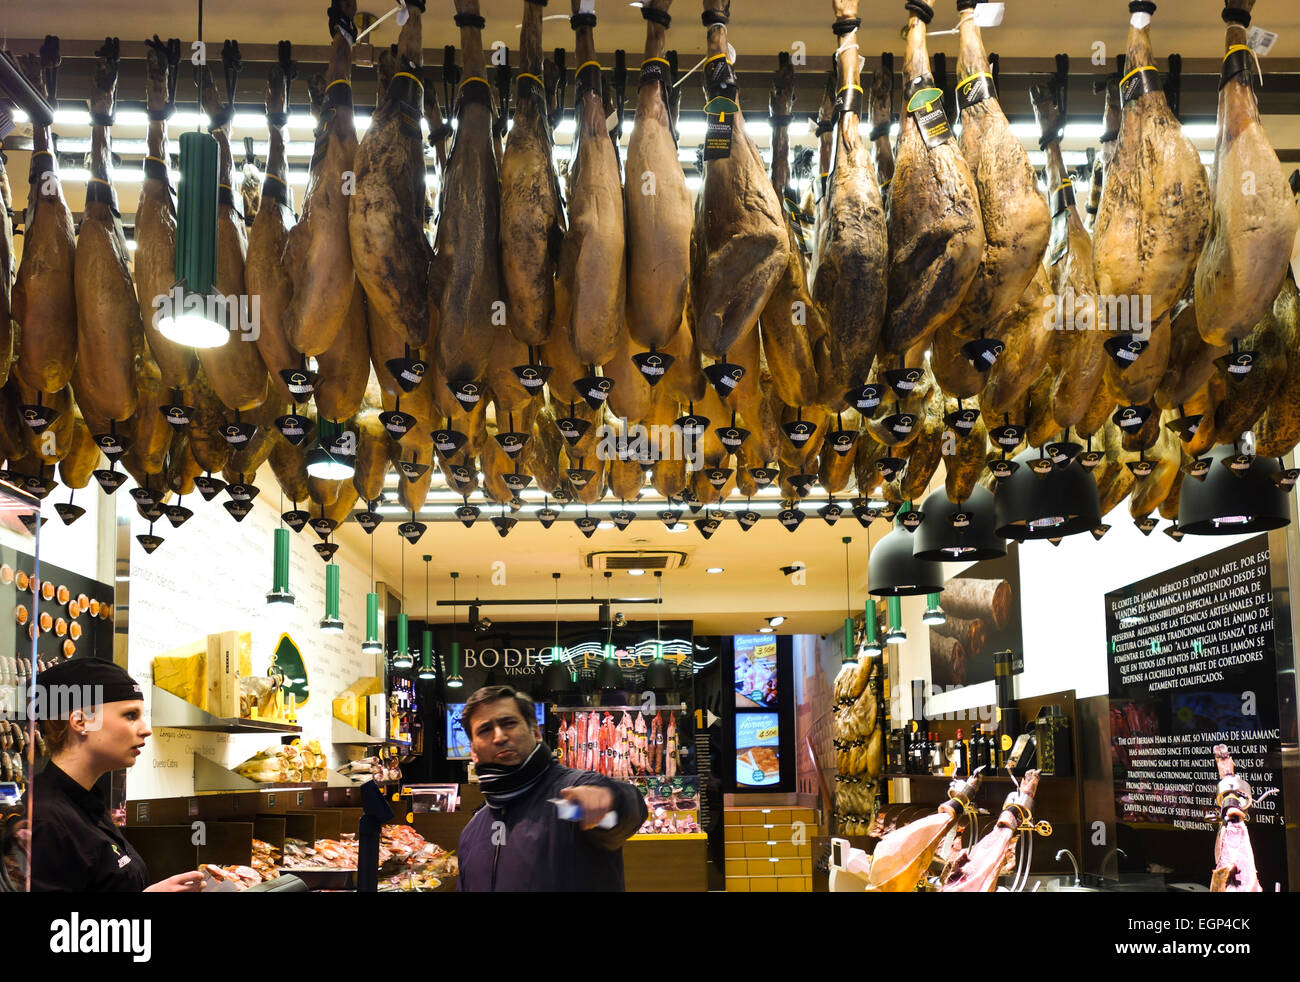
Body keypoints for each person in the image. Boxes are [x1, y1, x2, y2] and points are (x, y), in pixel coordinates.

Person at [27, 658, 202, 892]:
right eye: (131, 715)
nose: (146, 729)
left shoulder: (87, 804)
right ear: (81, 721)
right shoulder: (45, 821)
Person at [456, 684, 647, 891]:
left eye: (509, 723)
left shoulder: (569, 804)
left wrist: (613, 800)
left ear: (536, 733)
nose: (499, 737)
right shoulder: (471, 833)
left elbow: (624, 815)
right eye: (485, 730)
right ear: (473, 750)